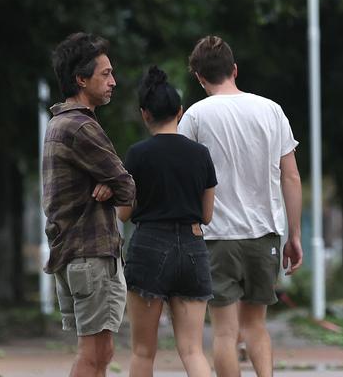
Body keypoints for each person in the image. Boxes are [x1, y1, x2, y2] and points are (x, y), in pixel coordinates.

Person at [180, 35, 303, 377]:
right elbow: (290, 177)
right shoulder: (271, 110)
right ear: (234, 69)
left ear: (199, 77)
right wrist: (293, 235)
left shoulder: (195, 117)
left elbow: (184, 178)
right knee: (256, 328)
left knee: (225, 332)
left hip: (216, 237)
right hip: (264, 236)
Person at [43, 32, 136, 377]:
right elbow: (127, 186)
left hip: (76, 254)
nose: (113, 82)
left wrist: (108, 185)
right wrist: (113, 187)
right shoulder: (82, 127)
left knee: (102, 350)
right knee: (92, 354)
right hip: (90, 253)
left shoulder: (58, 123)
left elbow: (115, 183)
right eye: (105, 74)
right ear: (81, 79)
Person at [117, 65, 217, 377]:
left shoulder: (136, 154)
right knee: (192, 350)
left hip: (148, 246)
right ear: (180, 111)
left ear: (144, 114)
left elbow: (124, 213)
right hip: (192, 245)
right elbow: (208, 215)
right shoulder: (200, 154)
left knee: (143, 352)